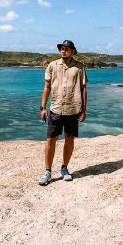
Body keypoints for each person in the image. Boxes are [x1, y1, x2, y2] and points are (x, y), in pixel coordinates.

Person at [39, 40, 87, 186]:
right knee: (50, 140)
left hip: (72, 109)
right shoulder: (52, 66)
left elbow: (83, 88)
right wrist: (42, 107)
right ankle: (47, 171)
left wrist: (84, 110)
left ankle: (64, 168)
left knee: (70, 139)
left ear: (73, 51)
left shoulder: (79, 67)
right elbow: (47, 87)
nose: (63, 51)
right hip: (56, 109)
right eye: (62, 48)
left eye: (66, 49)